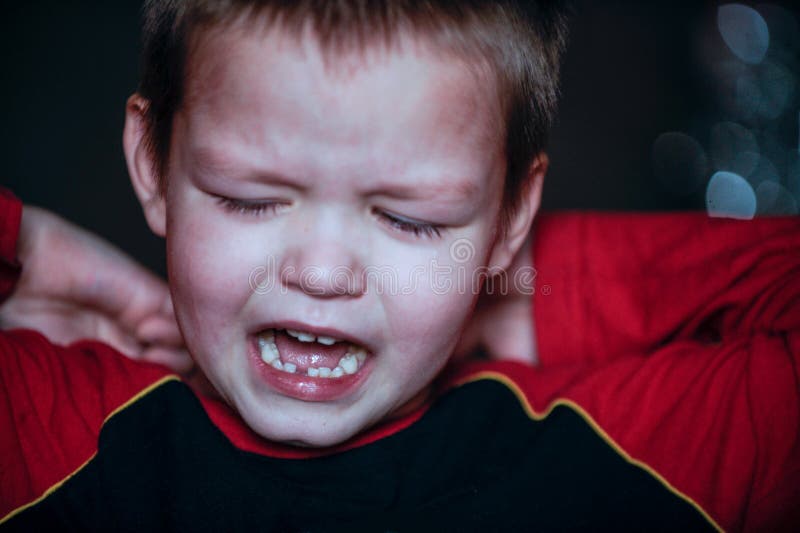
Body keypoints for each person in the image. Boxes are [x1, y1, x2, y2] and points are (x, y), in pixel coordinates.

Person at [1, 1, 798, 530]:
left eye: (411, 219)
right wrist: (26, 247)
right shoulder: (58, 430)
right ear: (153, 164)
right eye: (247, 197)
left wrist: (518, 289)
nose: (320, 272)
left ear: (511, 215)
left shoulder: (598, 454)